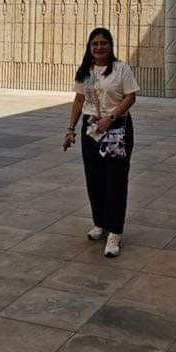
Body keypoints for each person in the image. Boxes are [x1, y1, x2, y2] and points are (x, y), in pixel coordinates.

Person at [63, 27, 139, 257]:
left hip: (116, 128)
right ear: (89, 47)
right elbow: (79, 100)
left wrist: (111, 118)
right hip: (91, 128)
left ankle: (115, 231)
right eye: (95, 43)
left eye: (103, 43)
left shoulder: (121, 69)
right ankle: (101, 224)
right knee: (94, 178)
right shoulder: (87, 71)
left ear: (110, 46)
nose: (99, 47)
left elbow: (130, 97)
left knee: (115, 179)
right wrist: (70, 129)